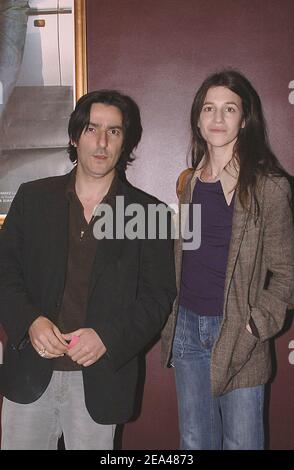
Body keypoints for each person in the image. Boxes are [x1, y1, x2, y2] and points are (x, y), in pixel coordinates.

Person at [0, 89, 176, 450]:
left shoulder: (150, 213)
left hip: (100, 381)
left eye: (113, 131)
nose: (101, 141)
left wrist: (108, 338)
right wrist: (30, 321)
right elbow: (5, 272)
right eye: (93, 128)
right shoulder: (32, 199)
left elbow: (158, 298)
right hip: (30, 375)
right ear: (74, 136)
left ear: (125, 142)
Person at [161, 69, 294, 450]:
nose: (218, 119)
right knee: (194, 441)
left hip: (240, 329)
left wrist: (255, 325)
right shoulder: (188, 183)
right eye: (209, 108)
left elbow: (287, 273)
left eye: (229, 108)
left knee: (242, 444)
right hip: (187, 328)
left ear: (244, 118)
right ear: (198, 118)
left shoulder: (269, 186)